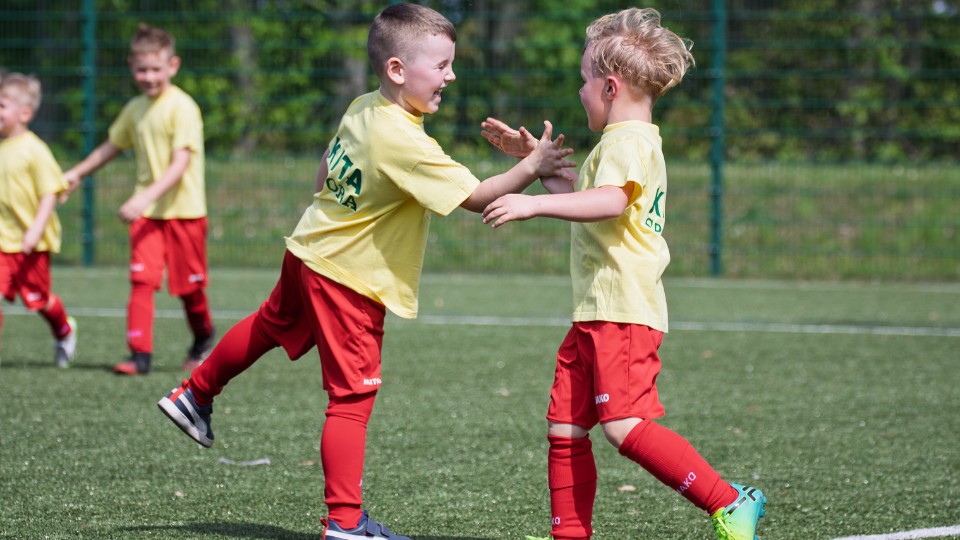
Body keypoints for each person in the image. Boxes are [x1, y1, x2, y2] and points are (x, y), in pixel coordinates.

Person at [156, 4, 574, 540]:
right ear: (398, 70)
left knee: (267, 327)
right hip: (347, 279)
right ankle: (346, 523)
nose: (451, 76)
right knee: (351, 399)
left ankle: (194, 393)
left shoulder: (364, 105)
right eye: (442, 65)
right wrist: (532, 166)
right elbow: (475, 196)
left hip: (310, 247)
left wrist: (321, 209)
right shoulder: (403, 139)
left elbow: (327, 167)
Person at [480, 8, 767, 540]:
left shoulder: (629, 143)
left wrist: (529, 205)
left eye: (584, 81)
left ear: (610, 86)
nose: (580, 91)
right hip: (595, 311)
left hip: (623, 312)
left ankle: (729, 501)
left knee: (622, 426)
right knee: (564, 428)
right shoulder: (622, 144)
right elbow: (588, 200)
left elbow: (609, 202)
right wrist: (538, 166)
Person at [62, 23, 215, 376]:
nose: (148, 77)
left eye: (156, 69)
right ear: (131, 65)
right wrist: (77, 173)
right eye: (142, 69)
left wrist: (144, 195)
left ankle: (204, 336)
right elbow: (111, 146)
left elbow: (181, 163)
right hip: (147, 215)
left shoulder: (183, 107)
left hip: (185, 213)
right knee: (142, 282)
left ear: (172, 66)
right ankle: (139, 355)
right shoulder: (134, 109)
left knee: (189, 291)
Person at [0, 73, 78, 367]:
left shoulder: (35, 149)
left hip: (30, 242)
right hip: (2, 240)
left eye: (1, 105)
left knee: (37, 299)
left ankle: (64, 329)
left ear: (25, 113)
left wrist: (34, 231)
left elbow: (49, 194)